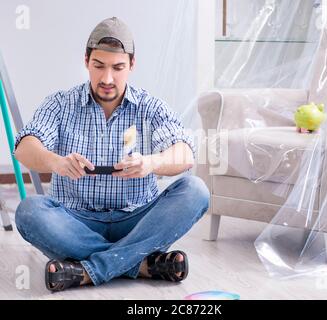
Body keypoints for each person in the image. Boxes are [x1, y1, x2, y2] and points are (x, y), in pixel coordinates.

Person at [14, 17, 209, 292]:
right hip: (75, 222)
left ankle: (89, 270)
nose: (107, 79)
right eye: (99, 66)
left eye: (118, 68)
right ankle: (139, 264)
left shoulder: (150, 106)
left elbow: (185, 154)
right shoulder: (60, 103)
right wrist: (56, 162)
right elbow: (25, 146)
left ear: (132, 64)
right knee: (29, 211)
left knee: (196, 190)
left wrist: (152, 162)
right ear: (86, 61)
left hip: (137, 222)